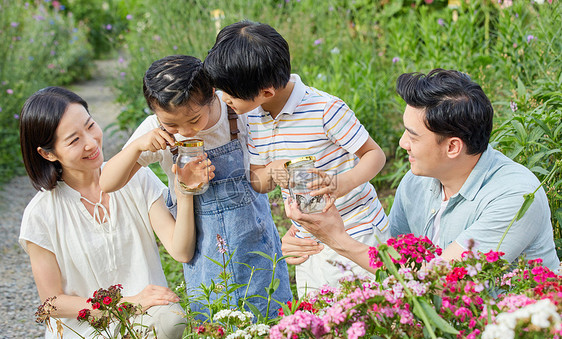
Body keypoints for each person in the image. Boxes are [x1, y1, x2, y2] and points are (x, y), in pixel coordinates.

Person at [283, 69, 560, 272]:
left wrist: (337, 238)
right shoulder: (417, 182)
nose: (403, 144)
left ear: (452, 147)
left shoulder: (516, 197)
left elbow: (440, 280)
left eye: (413, 136)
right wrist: (307, 237)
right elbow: (395, 262)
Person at [204, 20, 391, 297]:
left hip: (356, 231)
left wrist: (341, 182)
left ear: (266, 92)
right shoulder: (252, 115)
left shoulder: (325, 110)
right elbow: (258, 180)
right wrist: (273, 173)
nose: (223, 99)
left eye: (230, 95)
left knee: (367, 315)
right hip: (308, 239)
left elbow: (375, 155)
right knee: (318, 322)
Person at [99, 55, 292, 318]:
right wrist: (137, 146)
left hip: (256, 245)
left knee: (270, 317)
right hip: (204, 254)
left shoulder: (237, 112)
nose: (185, 131)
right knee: (214, 326)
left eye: (193, 120)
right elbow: (108, 182)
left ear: (213, 93)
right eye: (172, 124)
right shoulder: (156, 132)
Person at [19, 87, 194, 339]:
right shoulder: (41, 214)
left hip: (148, 322)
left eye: (90, 126)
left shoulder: (136, 178)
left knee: (173, 322)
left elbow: (180, 250)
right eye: (74, 140)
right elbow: (52, 302)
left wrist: (186, 189)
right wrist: (126, 304)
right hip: (86, 338)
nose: (91, 142)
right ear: (48, 153)